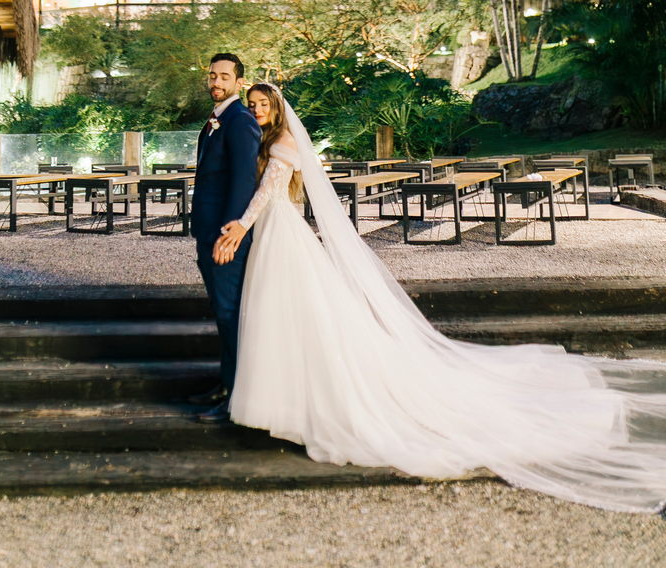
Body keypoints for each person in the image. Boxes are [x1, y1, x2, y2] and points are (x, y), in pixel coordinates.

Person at [212, 81, 666, 513]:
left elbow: (269, 191)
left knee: (295, 312)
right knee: (287, 316)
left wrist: (240, 226)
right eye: (253, 104)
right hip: (275, 232)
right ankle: (284, 400)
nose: (257, 109)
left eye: (264, 103)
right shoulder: (264, 140)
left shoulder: (283, 143)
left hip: (279, 231)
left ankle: (298, 403)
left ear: (277, 107)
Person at [189, 52, 260, 424]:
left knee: (231, 313)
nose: (216, 82)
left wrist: (230, 233)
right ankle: (225, 384)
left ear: (239, 82)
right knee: (222, 311)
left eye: (224, 77)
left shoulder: (240, 121)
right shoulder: (217, 120)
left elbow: (244, 181)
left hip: (225, 237)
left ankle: (237, 398)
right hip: (208, 232)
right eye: (212, 75)